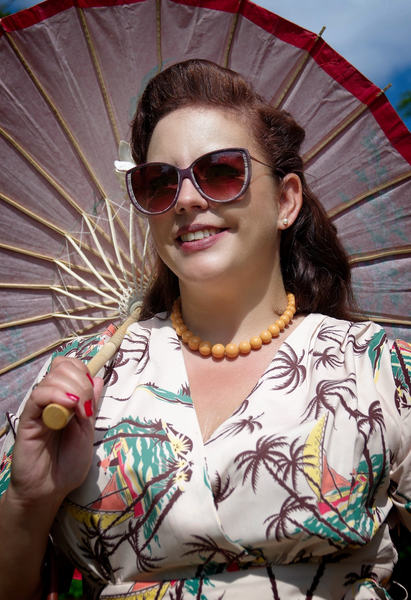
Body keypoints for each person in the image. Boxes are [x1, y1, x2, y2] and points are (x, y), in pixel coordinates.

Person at [0, 59, 410, 600]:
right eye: (158, 183)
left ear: (285, 200)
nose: (188, 200)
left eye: (220, 172)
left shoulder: (377, 369)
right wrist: (29, 500)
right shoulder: (82, 380)